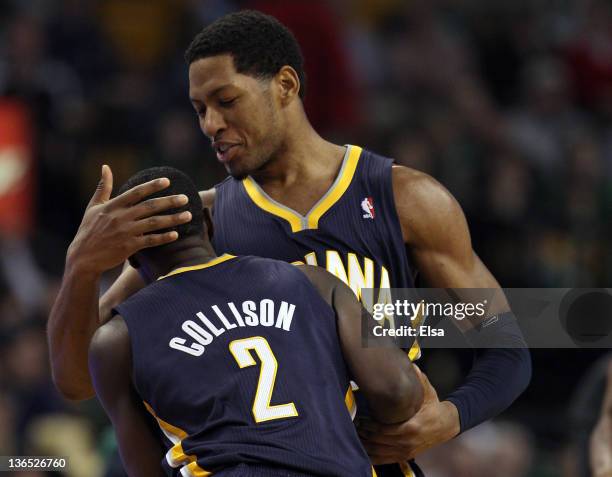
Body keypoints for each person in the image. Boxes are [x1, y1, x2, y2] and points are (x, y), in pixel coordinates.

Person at [48, 10, 531, 477]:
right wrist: (81, 266)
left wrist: (448, 418)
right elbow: (76, 379)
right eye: (200, 110)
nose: (210, 124)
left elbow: (507, 345)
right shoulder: (201, 222)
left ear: (285, 85)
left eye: (226, 101)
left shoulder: (405, 198)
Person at [88, 166, 424, 477]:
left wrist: (80, 263)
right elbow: (398, 391)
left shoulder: (116, 339)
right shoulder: (315, 280)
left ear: (131, 256)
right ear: (208, 223)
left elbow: (145, 469)